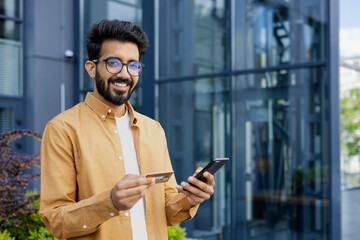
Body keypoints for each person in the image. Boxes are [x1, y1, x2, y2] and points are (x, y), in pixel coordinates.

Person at [39, 19, 215, 240]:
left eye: (133, 65)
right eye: (114, 63)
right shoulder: (62, 129)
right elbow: (56, 221)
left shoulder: (154, 130)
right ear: (92, 68)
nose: (124, 74)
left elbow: (166, 212)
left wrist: (189, 199)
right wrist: (109, 202)